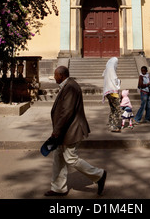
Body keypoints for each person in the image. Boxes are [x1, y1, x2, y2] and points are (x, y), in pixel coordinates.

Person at [44, 65, 107, 197]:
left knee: (70, 158)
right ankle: (58, 188)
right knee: (58, 158)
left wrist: (56, 130)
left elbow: (67, 112)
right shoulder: (68, 85)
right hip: (65, 130)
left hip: (71, 130)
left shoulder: (71, 87)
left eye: (55, 75)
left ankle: (99, 175)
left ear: (61, 76)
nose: (54, 77)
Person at [102, 57, 122, 132]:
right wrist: (119, 82)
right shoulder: (111, 70)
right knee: (117, 109)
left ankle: (111, 124)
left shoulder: (107, 69)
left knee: (112, 109)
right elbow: (115, 80)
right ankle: (114, 126)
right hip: (113, 93)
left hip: (108, 92)